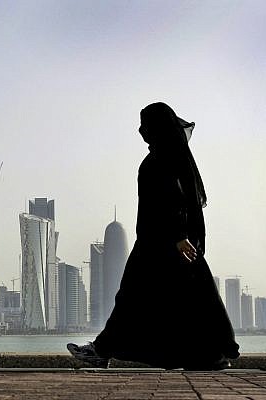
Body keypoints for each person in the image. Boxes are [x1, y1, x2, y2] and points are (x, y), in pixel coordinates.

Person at [67, 102, 240, 370]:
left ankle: (101, 350)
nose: (140, 130)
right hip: (163, 241)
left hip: (162, 243)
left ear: (157, 127)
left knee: (134, 299)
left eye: (145, 124)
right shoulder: (168, 157)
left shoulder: (162, 160)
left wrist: (179, 236)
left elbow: (174, 200)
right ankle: (207, 356)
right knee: (183, 301)